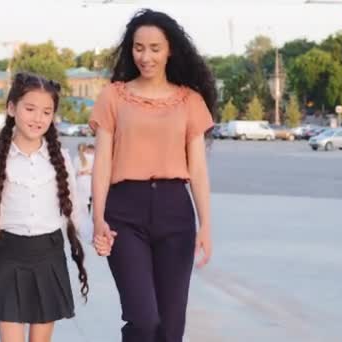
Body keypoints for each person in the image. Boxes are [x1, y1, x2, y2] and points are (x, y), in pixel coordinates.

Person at [90, 9, 215, 342]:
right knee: (143, 320)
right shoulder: (113, 97)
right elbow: (102, 161)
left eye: (155, 48)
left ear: (170, 49)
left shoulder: (190, 101)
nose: (145, 56)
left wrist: (206, 226)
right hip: (124, 213)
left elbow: (198, 169)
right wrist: (97, 217)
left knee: (171, 329)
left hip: (176, 212)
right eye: (138, 47)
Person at [0, 72, 112, 342]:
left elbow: (75, 213)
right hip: (8, 257)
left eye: (46, 111)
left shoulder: (61, 159)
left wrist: (96, 236)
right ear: (11, 108)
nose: (38, 118)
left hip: (49, 257)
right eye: (30, 109)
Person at [73, 143, 95, 213]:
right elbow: (95, 170)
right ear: (86, 148)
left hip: (79, 181)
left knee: (80, 200)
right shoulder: (92, 157)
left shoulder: (76, 158)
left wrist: (81, 172)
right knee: (88, 199)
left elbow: (74, 172)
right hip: (89, 180)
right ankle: (88, 214)